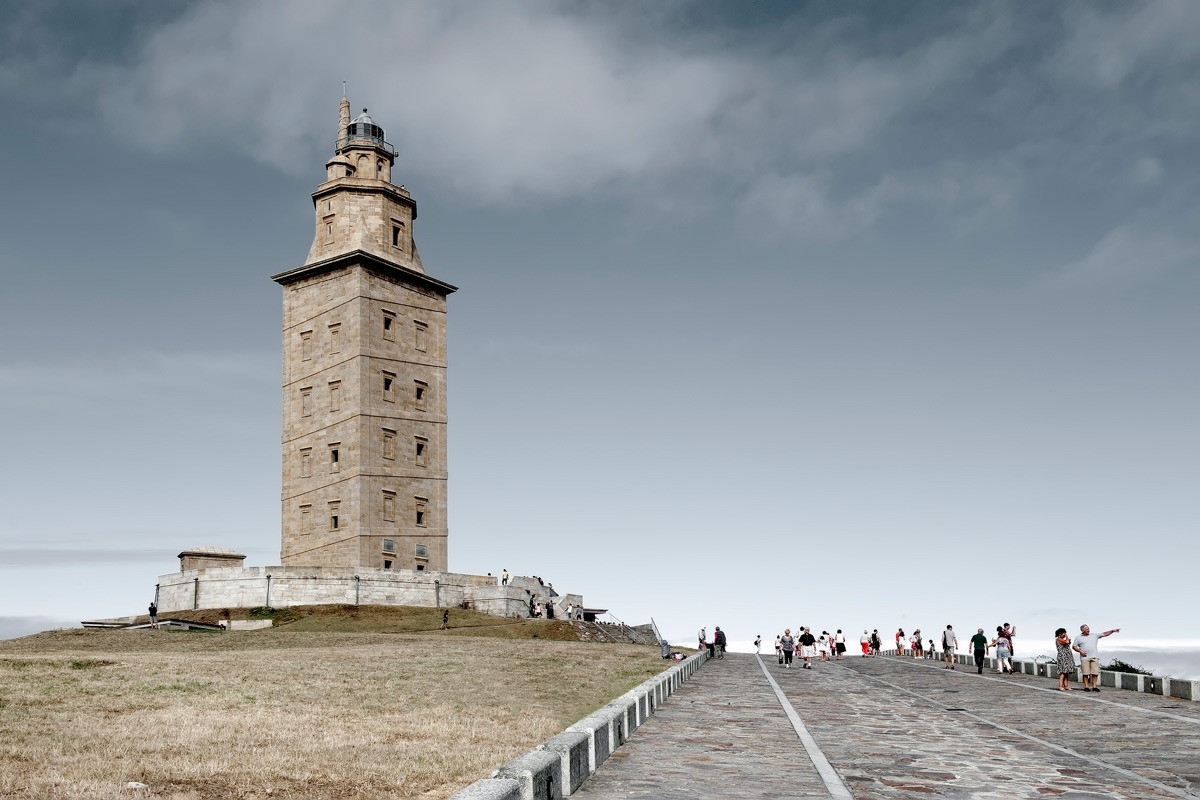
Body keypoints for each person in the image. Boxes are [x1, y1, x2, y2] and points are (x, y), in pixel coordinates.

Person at [1072, 623, 1119, 692]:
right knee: (1085, 673)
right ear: (1082, 630)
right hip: (1085, 658)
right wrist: (1080, 651)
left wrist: (1112, 631)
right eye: (1087, 629)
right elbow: (1074, 646)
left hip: (1094, 657)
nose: (1088, 630)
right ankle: (1086, 687)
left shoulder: (1094, 635)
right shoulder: (1078, 637)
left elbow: (1104, 634)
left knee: (1095, 673)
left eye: (1088, 628)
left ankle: (1094, 686)